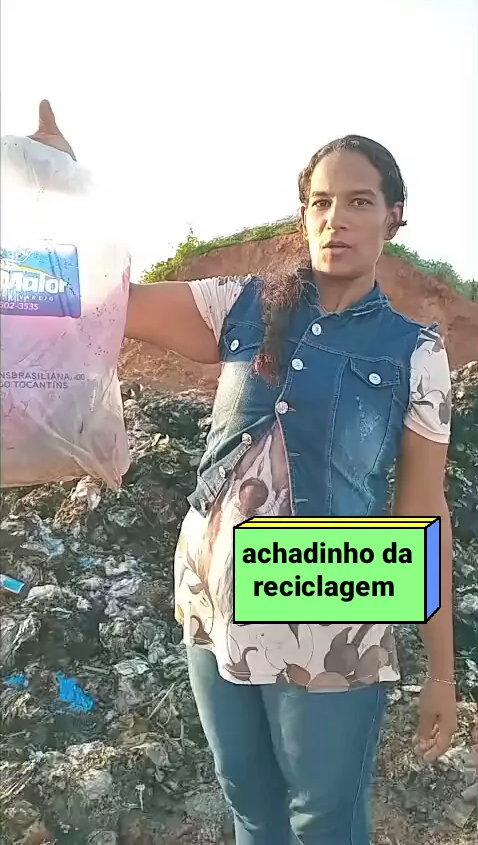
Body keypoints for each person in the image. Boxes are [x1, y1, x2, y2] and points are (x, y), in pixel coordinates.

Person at [29, 100, 457, 845]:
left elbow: (425, 511)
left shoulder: (416, 352)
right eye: (321, 202)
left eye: (359, 202)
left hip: (331, 602)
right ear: (303, 216)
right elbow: (93, 298)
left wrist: (442, 672)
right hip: (212, 600)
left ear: (394, 216)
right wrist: (50, 186)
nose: (337, 219)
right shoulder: (242, 305)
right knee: (250, 805)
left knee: (324, 818)